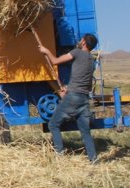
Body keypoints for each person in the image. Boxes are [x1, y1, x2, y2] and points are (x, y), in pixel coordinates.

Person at [38, 33, 99, 164]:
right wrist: (69, 88)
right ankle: (93, 160)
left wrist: (45, 50)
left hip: (73, 98)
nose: (79, 41)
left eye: (81, 39)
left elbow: (54, 61)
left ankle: (59, 157)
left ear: (83, 42)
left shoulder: (77, 53)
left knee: (53, 124)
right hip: (84, 99)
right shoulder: (92, 61)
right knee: (85, 131)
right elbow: (87, 86)